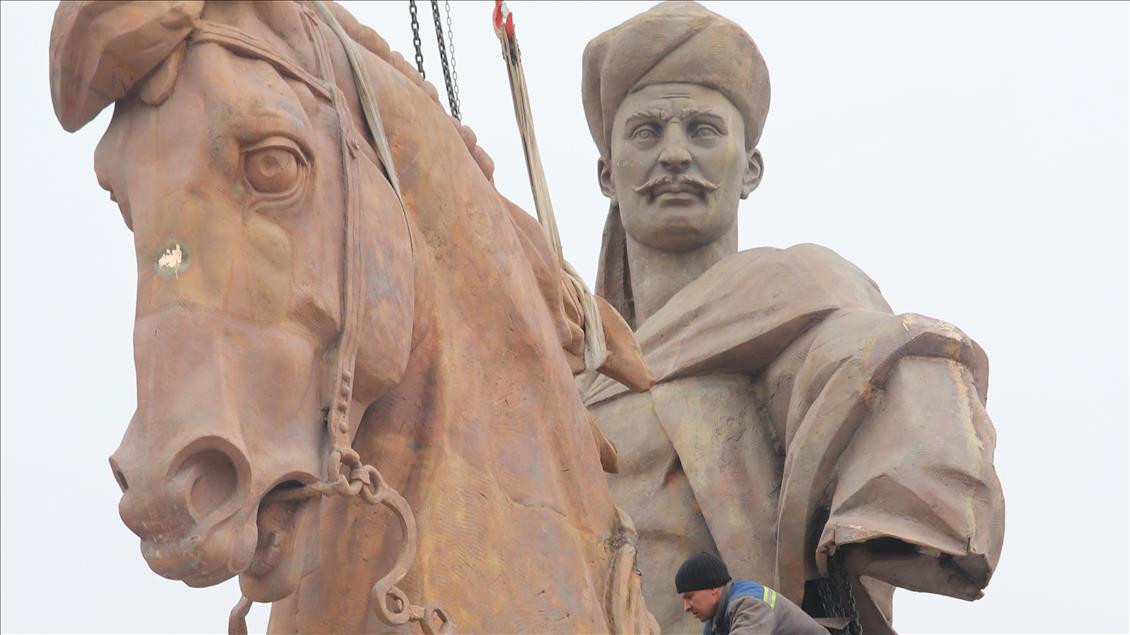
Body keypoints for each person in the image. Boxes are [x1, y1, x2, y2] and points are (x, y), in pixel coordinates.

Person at [577, 2, 1004, 634]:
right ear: (608, 173)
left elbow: (864, 355)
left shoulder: (804, 296)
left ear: (750, 169)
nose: (674, 155)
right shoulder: (568, 371)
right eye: (646, 132)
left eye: (702, 130)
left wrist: (899, 485)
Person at [677, 552, 826, 635]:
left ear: (713, 588)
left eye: (689, 597)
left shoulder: (750, 604)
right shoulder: (714, 624)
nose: (686, 607)